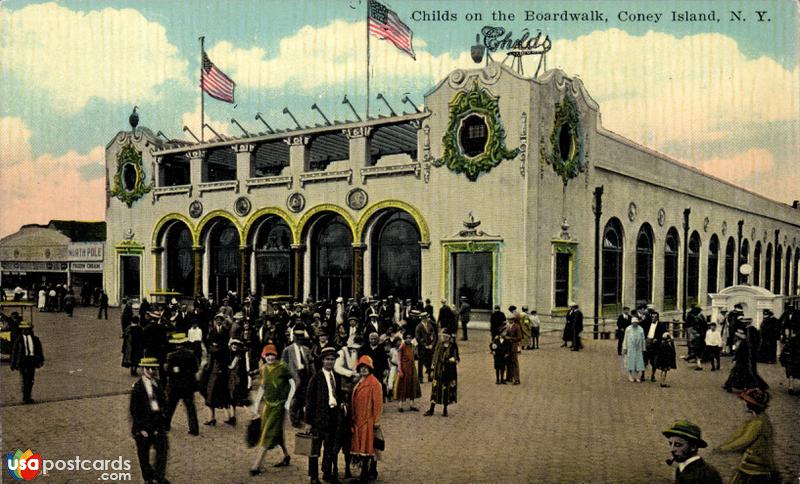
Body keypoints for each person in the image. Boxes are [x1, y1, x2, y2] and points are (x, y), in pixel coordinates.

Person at [250, 344, 293, 476]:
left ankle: (256, 465)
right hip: (268, 406)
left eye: (272, 354)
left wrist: (288, 402)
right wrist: (256, 405)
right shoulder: (263, 369)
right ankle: (286, 455)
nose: (270, 357)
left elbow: (293, 384)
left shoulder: (283, 367)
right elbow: (262, 387)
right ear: (264, 356)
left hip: (279, 406)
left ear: (276, 355)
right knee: (276, 432)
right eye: (267, 355)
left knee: (268, 433)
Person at [718, 388, 776, 483]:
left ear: (751, 405)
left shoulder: (758, 422)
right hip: (756, 462)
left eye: (745, 401)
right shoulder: (760, 418)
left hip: (756, 464)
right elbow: (739, 434)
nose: (743, 404)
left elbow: (745, 439)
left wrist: (725, 448)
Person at [305, 346, 343, 484]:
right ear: (322, 361)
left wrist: (341, 405)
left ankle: (327, 472)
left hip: (333, 417)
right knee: (315, 449)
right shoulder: (316, 378)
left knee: (330, 447)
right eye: (327, 359)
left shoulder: (336, 377)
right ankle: (314, 477)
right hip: (318, 418)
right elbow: (309, 401)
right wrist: (308, 422)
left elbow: (338, 395)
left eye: (332, 360)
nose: (330, 362)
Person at [129, 357, 169, 484]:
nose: (152, 371)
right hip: (144, 426)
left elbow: (164, 401)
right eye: (149, 369)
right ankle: (148, 478)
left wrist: (163, 416)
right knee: (143, 454)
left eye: (154, 369)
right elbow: (134, 411)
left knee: (162, 451)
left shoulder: (158, 383)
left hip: (157, 423)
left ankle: (159, 475)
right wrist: (141, 428)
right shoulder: (138, 388)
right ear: (143, 370)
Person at [351, 355, 383, 483]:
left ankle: (364, 475)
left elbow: (378, 404)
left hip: (367, 421)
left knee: (367, 448)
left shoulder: (374, 383)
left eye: (366, 367)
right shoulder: (360, 381)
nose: (363, 370)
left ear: (370, 368)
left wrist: (376, 421)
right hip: (359, 420)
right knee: (366, 447)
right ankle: (372, 471)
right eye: (361, 367)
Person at [164, 332, 199, 436]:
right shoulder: (191, 354)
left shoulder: (171, 356)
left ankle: (166, 425)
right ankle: (194, 429)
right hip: (188, 386)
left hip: (174, 386)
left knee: (170, 407)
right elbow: (196, 369)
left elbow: (168, 372)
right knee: (190, 408)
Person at [282, 327, 313, 428]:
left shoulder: (306, 349)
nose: (299, 339)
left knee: (303, 397)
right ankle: (294, 419)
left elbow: (310, 363)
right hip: (294, 375)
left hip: (305, 375)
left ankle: (300, 417)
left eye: (301, 337)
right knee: (295, 397)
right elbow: (283, 364)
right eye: (297, 337)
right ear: (294, 337)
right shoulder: (288, 350)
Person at [724, 326, 769, 393]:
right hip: (743, 359)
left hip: (743, 360)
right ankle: (729, 385)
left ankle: (729, 385)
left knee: (736, 372)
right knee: (740, 372)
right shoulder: (747, 340)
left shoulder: (745, 341)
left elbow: (739, 350)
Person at [424, 332, 459, 416]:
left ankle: (445, 409)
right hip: (438, 370)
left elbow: (456, 358)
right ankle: (431, 409)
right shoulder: (439, 345)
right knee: (435, 389)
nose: (443, 338)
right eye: (442, 336)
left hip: (448, 371)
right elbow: (435, 357)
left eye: (445, 336)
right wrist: (432, 369)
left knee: (446, 390)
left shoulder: (453, 346)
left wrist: (453, 359)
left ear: (449, 337)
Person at [10, 321, 45, 404]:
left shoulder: (35, 339)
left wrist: (40, 360)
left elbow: (39, 351)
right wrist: (13, 364)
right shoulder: (19, 340)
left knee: (31, 380)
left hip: (31, 361)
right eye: (24, 330)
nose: (25, 331)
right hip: (23, 362)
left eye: (27, 329)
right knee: (24, 379)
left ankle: (28, 395)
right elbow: (14, 352)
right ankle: (26, 397)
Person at [394, 332, 421, 411]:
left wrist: (416, 352)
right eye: (407, 338)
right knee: (402, 386)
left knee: (412, 385)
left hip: (412, 368)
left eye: (410, 338)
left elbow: (416, 356)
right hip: (404, 368)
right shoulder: (402, 346)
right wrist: (400, 370)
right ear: (404, 338)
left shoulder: (413, 346)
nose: (408, 339)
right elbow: (399, 360)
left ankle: (412, 405)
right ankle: (400, 406)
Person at [622, 317, 646, 382]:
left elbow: (643, 339)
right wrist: (625, 348)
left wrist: (643, 348)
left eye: (636, 322)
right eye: (633, 322)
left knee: (638, 362)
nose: (635, 324)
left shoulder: (640, 329)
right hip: (630, 347)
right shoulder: (628, 329)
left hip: (638, 348)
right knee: (630, 361)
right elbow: (625, 338)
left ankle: (637, 376)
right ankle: (630, 375)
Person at [415, 316, 437, 383]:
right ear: (423, 319)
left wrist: (432, 345)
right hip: (422, 348)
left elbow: (434, 336)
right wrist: (425, 345)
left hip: (430, 347)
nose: (427, 319)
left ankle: (430, 377)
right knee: (420, 363)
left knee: (430, 362)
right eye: (425, 318)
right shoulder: (418, 327)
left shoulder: (430, 326)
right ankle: (420, 377)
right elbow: (418, 338)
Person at [505, 312, 522, 385]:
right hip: (508, 347)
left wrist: (510, 338)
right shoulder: (507, 326)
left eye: (511, 319)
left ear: (514, 319)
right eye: (509, 319)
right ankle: (509, 377)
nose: (510, 321)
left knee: (515, 363)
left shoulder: (517, 326)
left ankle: (517, 379)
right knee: (508, 362)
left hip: (513, 347)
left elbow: (519, 337)